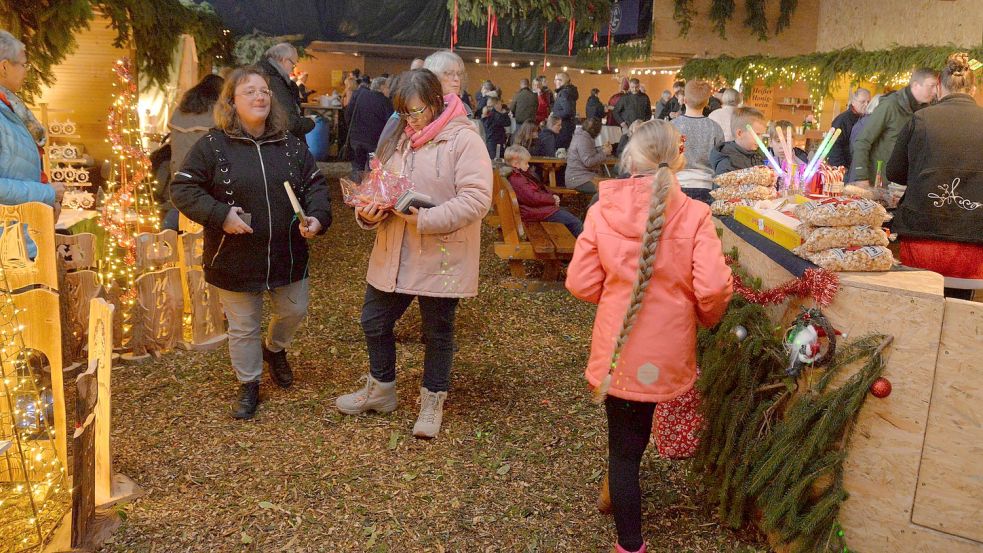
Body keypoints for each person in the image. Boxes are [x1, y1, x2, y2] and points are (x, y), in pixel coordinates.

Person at [565, 119, 732, 553]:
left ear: (629, 159)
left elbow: (581, 282)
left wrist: (617, 293)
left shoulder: (602, 211)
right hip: (669, 349)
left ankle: (629, 543)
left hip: (618, 348)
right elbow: (713, 287)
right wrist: (701, 317)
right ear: (679, 159)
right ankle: (620, 496)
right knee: (635, 438)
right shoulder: (695, 214)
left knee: (623, 448)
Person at [335, 69, 492, 439]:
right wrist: (367, 212)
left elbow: (476, 200)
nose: (410, 120)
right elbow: (379, 185)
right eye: (403, 113)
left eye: (416, 111)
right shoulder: (400, 137)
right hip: (395, 251)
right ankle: (382, 389)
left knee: (437, 331)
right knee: (374, 320)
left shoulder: (463, 139)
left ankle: (432, 399)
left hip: (441, 253)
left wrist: (425, 218)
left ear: (437, 102)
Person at [170, 67, 331, 420]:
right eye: (249, 92)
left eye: (264, 91)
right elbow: (182, 188)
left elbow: (316, 185)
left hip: (287, 252)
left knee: (294, 310)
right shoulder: (212, 145)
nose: (260, 97)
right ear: (231, 101)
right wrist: (220, 214)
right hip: (234, 256)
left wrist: (318, 217)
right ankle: (249, 383)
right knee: (243, 326)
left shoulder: (290, 146)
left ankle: (275, 349)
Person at [887, 53, 983, 295]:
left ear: (939, 86)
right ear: (974, 88)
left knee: (918, 309)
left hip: (923, 241)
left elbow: (895, 173)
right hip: (975, 245)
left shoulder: (921, 119)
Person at [0, 29, 63, 253]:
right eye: (23, 64)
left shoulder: (11, 111)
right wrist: (47, 193)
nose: (26, 71)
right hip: (8, 254)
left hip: (18, 244)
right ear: (4, 66)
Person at [850, 68, 938, 186]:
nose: (935, 91)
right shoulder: (890, 105)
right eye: (931, 86)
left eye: (936, 86)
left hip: (906, 184)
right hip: (880, 184)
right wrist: (861, 177)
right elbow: (862, 141)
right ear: (916, 85)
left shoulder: (925, 111)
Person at [165, 74, 225, 229]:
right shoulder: (217, 113)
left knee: (179, 205)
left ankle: (167, 236)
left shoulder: (181, 110)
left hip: (177, 169)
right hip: (201, 171)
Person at [505, 145, 582, 237]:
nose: (528, 165)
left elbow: (540, 188)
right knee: (575, 223)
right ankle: (584, 249)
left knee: (569, 214)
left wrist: (553, 195)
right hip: (534, 213)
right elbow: (532, 198)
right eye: (526, 163)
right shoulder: (517, 179)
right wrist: (552, 199)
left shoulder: (519, 175)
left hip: (534, 210)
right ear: (516, 164)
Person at [671, 80, 724, 204]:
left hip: (677, 183)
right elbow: (719, 159)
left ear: (684, 100)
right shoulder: (715, 128)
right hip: (706, 185)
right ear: (707, 103)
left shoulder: (672, 126)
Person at [257, 43, 315, 138]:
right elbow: (289, 123)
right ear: (284, 60)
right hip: (278, 141)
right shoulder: (275, 82)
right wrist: (310, 122)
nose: (293, 69)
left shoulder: (263, 74)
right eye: (293, 64)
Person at [348, 76, 395, 176]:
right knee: (372, 170)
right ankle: (367, 189)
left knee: (357, 168)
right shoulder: (385, 101)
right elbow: (390, 123)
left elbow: (349, 112)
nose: (389, 90)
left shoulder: (361, 95)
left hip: (355, 138)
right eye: (387, 87)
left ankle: (355, 187)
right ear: (382, 87)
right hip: (373, 141)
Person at [709, 107, 768, 175]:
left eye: (762, 135)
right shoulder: (727, 163)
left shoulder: (758, 156)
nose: (760, 140)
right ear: (739, 134)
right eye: (757, 134)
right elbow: (721, 184)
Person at [565, 117, 611, 195]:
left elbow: (589, 152)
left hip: (582, 177)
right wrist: (604, 153)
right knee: (608, 189)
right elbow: (588, 162)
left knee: (610, 186)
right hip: (579, 179)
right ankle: (594, 207)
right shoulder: (583, 139)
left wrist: (601, 149)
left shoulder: (582, 136)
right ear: (594, 131)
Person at [827, 87, 871, 169]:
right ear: (853, 102)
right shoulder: (843, 120)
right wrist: (840, 168)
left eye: (868, 102)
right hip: (844, 168)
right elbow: (834, 145)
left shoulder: (867, 119)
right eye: (863, 102)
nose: (866, 104)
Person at [552, 72, 579, 149]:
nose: (554, 82)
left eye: (555, 80)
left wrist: (554, 114)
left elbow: (567, 111)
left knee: (561, 150)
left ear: (561, 81)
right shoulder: (569, 92)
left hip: (562, 127)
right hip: (568, 126)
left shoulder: (564, 93)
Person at [481, 95, 510, 159]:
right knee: (496, 162)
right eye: (500, 104)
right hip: (496, 143)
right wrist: (505, 113)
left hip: (490, 141)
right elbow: (507, 122)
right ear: (496, 105)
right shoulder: (496, 114)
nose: (501, 106)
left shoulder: (487, 113)